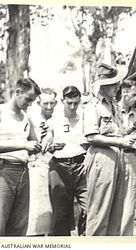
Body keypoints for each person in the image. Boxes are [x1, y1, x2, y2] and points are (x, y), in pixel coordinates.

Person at [84, 63, 136, 236]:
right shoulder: (93, 106)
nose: (117, 87)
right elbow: (91, 137)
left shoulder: (114, 106)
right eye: (114, 84)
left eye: (117, 83)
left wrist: (129, 136)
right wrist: (121, 142)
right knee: (99, 212)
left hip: (118, 158)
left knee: (116, 213)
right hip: (102, 158)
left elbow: (117, 132)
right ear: (103, 85)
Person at [0, 78, 42, 236]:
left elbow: (34, 143)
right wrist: (23, 145)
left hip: (23, 171)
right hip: (4, 171)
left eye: (32, 101)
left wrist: (42, 144)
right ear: (17, 92)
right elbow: (25, 144)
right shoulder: (2, 112)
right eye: (28, 99)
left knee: (19, 224)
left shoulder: (26, 117)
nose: (29, 104)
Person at [46, 86, 88, 236]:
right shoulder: (53, 121)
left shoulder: (84, 118)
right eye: (69, 103)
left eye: (75, 103)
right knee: (61, 213)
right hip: (59, 166)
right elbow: (46, 141)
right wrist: (51, 146)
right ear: (62, 101)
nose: (72, 107)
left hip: (81, 165)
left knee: (90, 208)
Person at [107, 79, 136, 236]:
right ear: (123, 92)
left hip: (131, 157)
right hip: (112, 157)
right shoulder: (111, 110)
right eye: (134, 95)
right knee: (110, 200)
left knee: (129, 201)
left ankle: (125, 239)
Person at [27, 88, 58, 236]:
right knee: (35, 211)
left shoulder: (55, 121)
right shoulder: (31, 119)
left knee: (48, 211)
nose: (49, 107)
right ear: (38, 103)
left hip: (49, 167)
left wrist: (53, 147)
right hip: (33, 168)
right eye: (45, 103)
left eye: (52, 103)